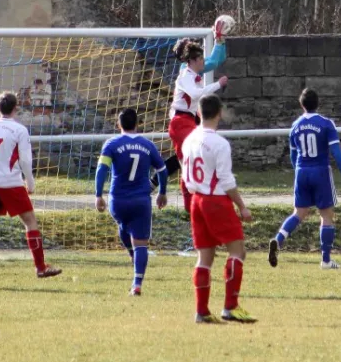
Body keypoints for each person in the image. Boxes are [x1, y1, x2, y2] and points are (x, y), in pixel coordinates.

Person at [0, 91, 62, 279]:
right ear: (16, 107)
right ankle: (40, 267)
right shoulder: (19, 130)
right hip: (11, 183)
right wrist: (31, 183)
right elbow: (26, 161)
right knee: (30, 221)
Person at [182, 94, 257, 324]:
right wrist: (242, 206)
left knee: (205, 257)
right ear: (219, 113)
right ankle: (230, 307)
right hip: (215, 201)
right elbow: (226, 180)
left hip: (196, 200)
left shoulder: (189, 139)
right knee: (238, 251)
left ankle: (202, 311)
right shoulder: (219, 143)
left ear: (198, 112)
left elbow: (185, 174)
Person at [269, 89, 341, 269]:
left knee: (298, 213)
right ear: (318, 103)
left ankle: (278, 240)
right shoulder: (325, 124)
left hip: (301, 171)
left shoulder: (295, 126)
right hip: (320, 171)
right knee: (326, 215)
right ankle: (326, 260)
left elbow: (293, 156)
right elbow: (336, 152)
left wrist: (299, 172)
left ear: (301, 105)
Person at [95, 108, 168, 296]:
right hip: (140, 200)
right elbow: (162, 170)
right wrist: (162, 192)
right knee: (141, 242)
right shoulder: (148, 145)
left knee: (123, 224)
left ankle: (132, 255)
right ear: (137, 124)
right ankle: (137, 283)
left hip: (117, 200)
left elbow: (102, 170)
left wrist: (98, 195)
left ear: (119, 124)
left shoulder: (111, 144)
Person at [150, 22, 228, 197]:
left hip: (191, 118)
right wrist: (219, 42)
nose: (201, 58)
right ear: (188, 57)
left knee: (186, 158)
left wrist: (220, 40)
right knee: (190, 157)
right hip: (182, 119)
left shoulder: (192, 71)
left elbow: (214, 61)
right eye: (197, 55)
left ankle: (158, 182)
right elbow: (214, 62)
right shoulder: (186, 72)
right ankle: (192, 194)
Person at [166, 40, 228, 213]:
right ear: (191, 61)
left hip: (188, 121)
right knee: (189, 162)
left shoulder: (194, 77)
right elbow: (194, 94)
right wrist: (218, 84)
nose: (203, 61)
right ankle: (191, 206)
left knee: (193, 161)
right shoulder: (185, 75)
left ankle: (197, 203)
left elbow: (194, 102)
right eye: (200, 58)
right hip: (180, 123)